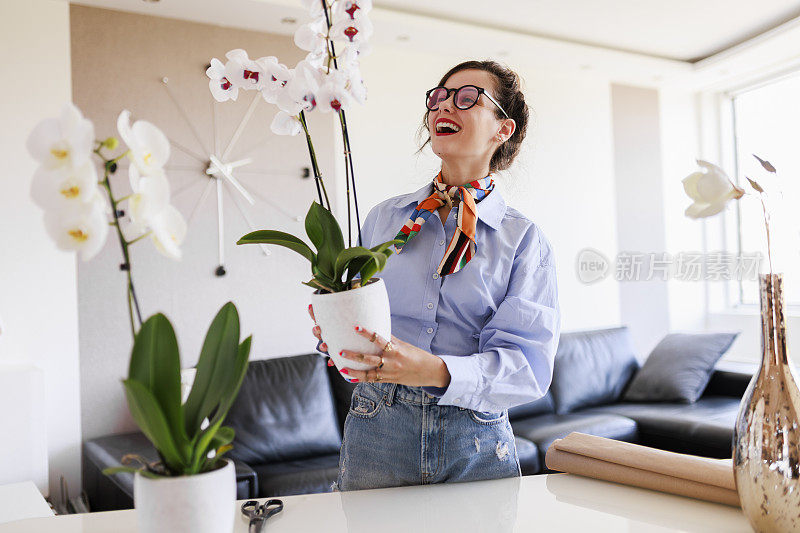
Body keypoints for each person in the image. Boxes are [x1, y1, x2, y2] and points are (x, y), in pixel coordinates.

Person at [309, 59, 561, 491]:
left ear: (504, 129)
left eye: (468, 99)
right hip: (377, 424)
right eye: (439, 98)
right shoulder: (385, 219)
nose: (445, 106)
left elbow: (527, 368)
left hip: (475, 435)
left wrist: (436, 371)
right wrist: (337, 332)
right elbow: (358, 308)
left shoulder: (523, 240)